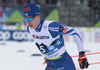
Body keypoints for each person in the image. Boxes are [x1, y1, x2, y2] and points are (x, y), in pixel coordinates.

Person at [24, 3, 89, 70]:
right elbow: (43, 42)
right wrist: (47, 55)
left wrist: (82, 55)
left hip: (64, 63)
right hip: (50, 64)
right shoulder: (30, 29)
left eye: (30, 18)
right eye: (26, 19)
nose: (28, 22)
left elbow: (75, 32)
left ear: (38, 16)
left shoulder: (51, 27)